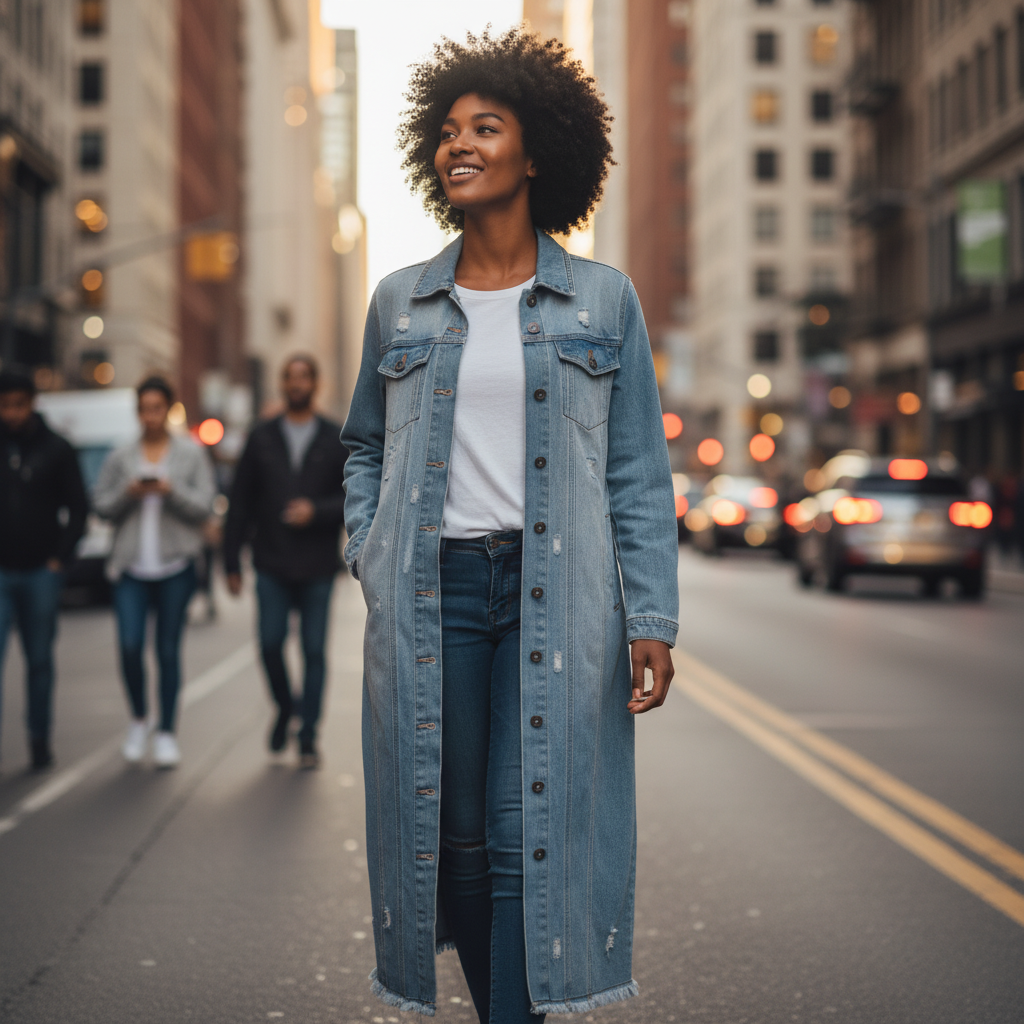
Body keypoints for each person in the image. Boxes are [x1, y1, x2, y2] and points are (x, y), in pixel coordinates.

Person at [341, 28, 678, 1022]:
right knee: (449, 841)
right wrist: (367, 548)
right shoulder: (400, 304)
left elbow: (636, 474)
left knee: (518, 829)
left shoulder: (602, 302)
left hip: (548, 597)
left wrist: (649, 614)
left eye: (484, 128)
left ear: (536, 155)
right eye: (446, 131)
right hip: (429, 594)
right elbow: (363, 444)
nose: (459, 145)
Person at [223, 355, 347, 769]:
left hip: (316, 565)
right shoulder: (261, 437)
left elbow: (353, 497)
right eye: (290, 377)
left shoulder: (334, 436)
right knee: (271, 643)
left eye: (303, 377)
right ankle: (284, 707)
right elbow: (239, 502)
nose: (296, 384)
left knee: (314, 651)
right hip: (271, 562)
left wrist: (317, 510)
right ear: (282, 383)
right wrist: (230, 563)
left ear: (316, 383)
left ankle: (308, 735)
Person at [93, 377, 214, 768]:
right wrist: (129, 492)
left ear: (168, 410)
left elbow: (204, 506)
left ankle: (165, 733)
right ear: (137, 411)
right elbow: (101, 506)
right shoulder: (120, 455)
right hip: (130, 568)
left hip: (175, 567)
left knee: (167, 651)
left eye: (157, 408)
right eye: (144, 409)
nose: (150, 416)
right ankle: (139, 719)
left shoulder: (190, 454)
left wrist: (169, 491)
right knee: (129, 647)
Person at [0, 367, 88, 770]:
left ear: (32, 404)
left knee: (39, 660)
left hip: (40, 571)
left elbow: (78, 508)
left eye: (18, 405)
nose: (11, 413)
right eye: (4, 406)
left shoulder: (57, 448)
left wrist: (60, 558)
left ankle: (38, 738)